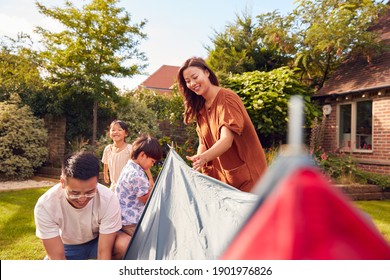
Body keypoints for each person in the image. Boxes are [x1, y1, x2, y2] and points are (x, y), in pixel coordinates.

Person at [177, 57, 267, 192]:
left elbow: (226, 140)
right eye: (188, 81)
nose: (192, 83)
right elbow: (203, 143)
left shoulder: (226, 99)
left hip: (249, 183)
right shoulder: (201, 108)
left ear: (206, 73)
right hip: (224, 185)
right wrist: (197, 163)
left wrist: (204, 158)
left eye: (195, 77)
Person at [34, 151, 130, 260]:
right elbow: (57, 257)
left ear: (96, 182)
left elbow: (104, 253)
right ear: (62, 182)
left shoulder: (108, 199)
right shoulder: (45, 206)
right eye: (74, 193)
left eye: (90, 192)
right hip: (68, 247)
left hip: (97, 241)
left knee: (124, 244)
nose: (82, 199)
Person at [115, 134, 162, 237]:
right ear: (142, 155)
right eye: (152, 161)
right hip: (131, 223)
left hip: (123, 217)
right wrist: (156, 190)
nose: (152, 165)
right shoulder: (137, 175)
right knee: (153, 237)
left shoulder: (129, 167)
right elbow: (145, 199)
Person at [101, 120, 133, 192]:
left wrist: (150, 178)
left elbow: (138, 163)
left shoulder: (130, 149)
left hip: (127, 187)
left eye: (119, 130)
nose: (116, 132)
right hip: (114, 186)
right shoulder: (108, 149)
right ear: (109, 133)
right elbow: (106, 162)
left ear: (126, 133)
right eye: (113, 130)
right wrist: (105, 174)